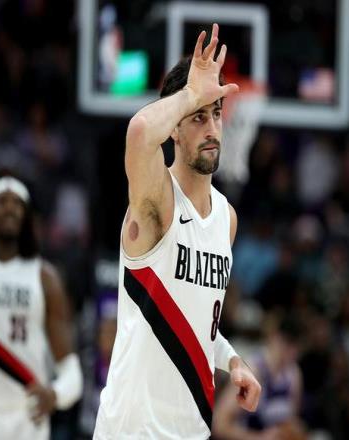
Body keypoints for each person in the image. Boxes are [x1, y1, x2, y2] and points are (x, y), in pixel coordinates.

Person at [94, 23, 261, 439]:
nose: (212, 128)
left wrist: (233, 360)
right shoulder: (157, 198)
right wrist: (189, 95)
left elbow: (200, 323)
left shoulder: (226, 218)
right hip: (132, 431)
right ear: (173, 128)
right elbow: (138, 133)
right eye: (198, 117)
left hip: (191, 430)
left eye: (216, 114)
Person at [0, 176, 83, 439]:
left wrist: (55, 394)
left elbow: (71, 370)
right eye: (1, 202)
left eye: (17, 203)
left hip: (28, 419)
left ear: (27, 216)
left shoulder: (45, 277)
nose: (10, 208)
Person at [213, 314, 305, 440]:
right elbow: (219, 424)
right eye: (288, 345)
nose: (292, 354)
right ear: (275, 338)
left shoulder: (293, 373)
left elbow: (291, 420)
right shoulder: (252, 370)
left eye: (297, 348)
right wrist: (258, 437)